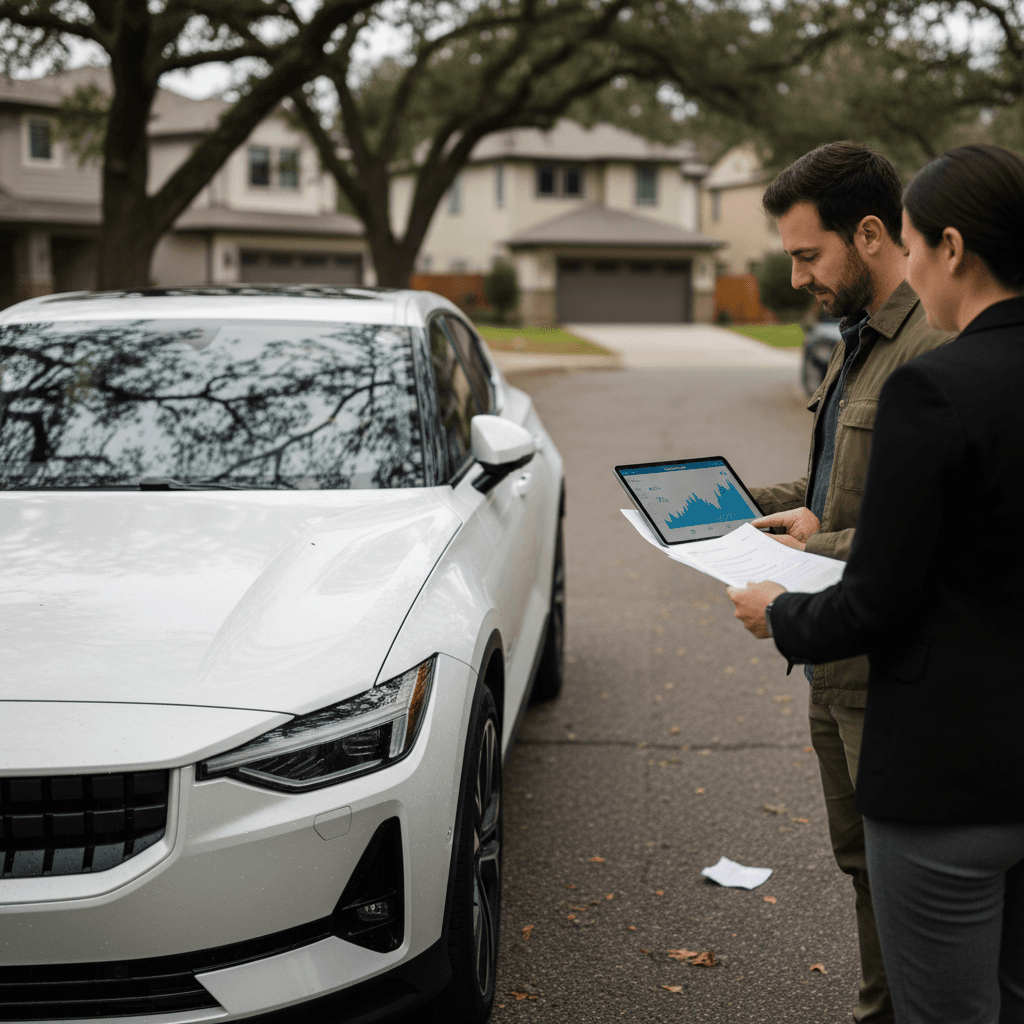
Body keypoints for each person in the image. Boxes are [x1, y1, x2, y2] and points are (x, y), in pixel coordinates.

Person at [728, 143, 1024, 1024]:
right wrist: (738, 507)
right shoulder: (861, 344)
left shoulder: (941, 366)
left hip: (922, 720)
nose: (795, 278)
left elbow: (902, 573)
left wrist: (782, 610)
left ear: (940, 246)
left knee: (938, 968)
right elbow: (846, 496)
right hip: (925, 708)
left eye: (807, 254)